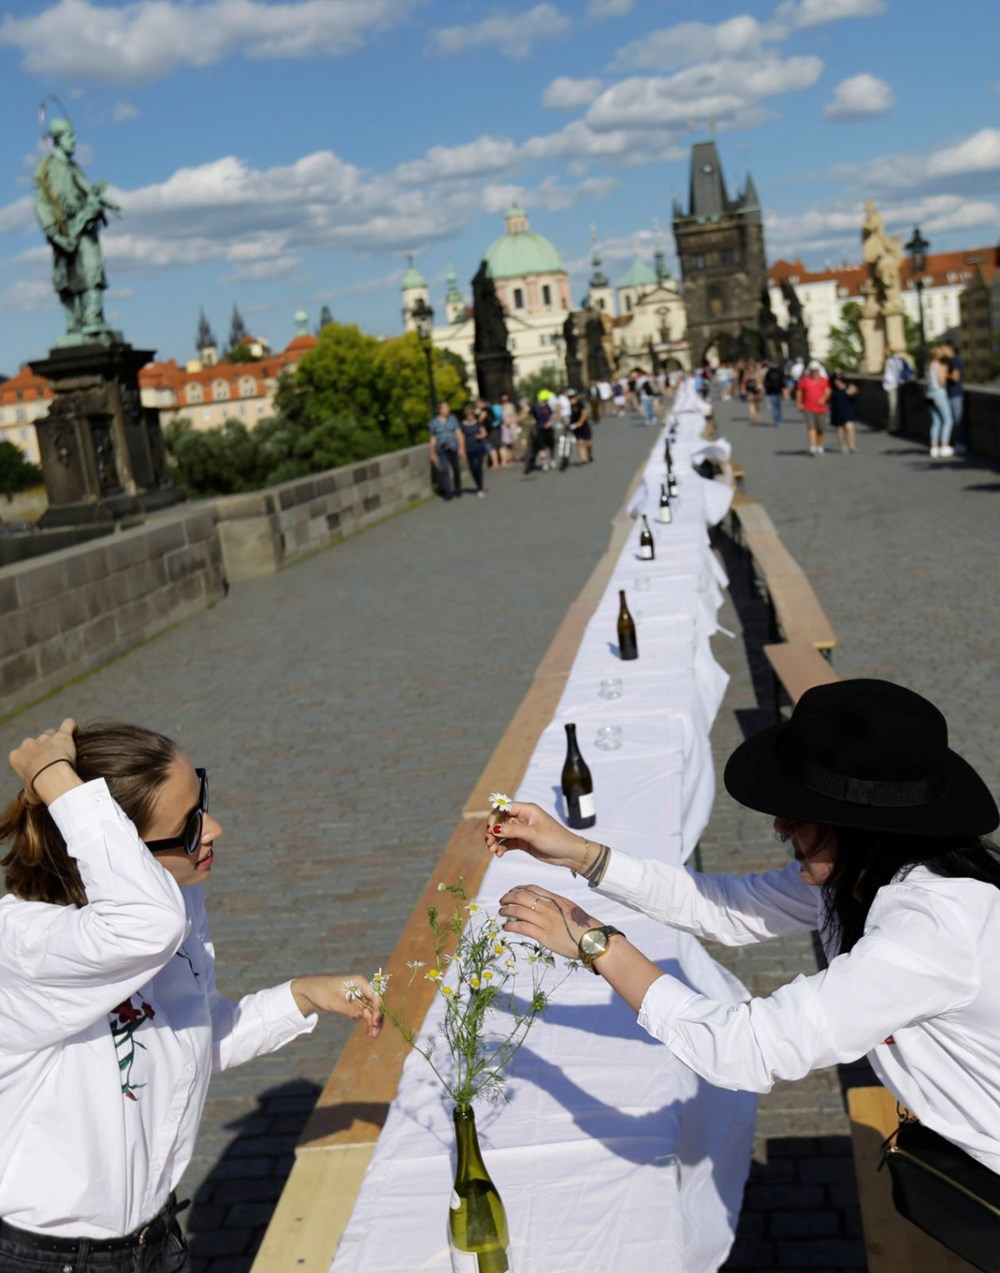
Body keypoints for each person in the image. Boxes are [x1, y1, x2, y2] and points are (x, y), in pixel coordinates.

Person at [489, 680, 1000, 1189]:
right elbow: (724, 907)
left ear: (862, 827)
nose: (780, 827)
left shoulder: (928, 929)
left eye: (802, 816)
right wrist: (578, 853)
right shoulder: (870, 875)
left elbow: (745, 1048)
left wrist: (594, 942)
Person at [0, 719, 382, 1270]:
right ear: (115, 847)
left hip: (154, 1243)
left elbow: (186, 1041)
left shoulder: (172, 900)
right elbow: (145, 925)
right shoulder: (30, 944)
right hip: (49, 1260)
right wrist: (52, 775)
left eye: (202, 801)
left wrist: (301, 996)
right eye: (188, 827)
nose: (215, 829)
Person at [428, 399, 465, 499]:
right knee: (444, 470)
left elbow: (458, 433)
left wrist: (461, 447)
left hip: (453, 447)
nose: (447, 409)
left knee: (456, 468)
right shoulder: (434, 423)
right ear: (440, 410)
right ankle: (448, 492)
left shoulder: (453, 419)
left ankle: (458, 488)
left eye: (448, 407)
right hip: (442, 448)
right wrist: (432, 453)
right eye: (445, 408)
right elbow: (432, 439)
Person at [925, 345, 954, 460]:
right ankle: (944, 446)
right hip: (938, 394)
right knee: (948, 420)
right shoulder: (938, 366)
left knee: (936, 421)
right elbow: (942, 382)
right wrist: (946, 372)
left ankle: (934, 447)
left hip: (928, 394)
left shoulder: (928, 366)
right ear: (937, 356)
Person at [796, 361, 830, 456]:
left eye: (816, 370)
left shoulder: (823, 380)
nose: (814, 372)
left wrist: (824, 398)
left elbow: (827, 391)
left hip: (821, 408)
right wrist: (799, 403)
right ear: (810, 371)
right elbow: (800, 392)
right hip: (808, 407)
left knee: (820, 429)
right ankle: (813, 446)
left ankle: (820, 445)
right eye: (812, 370)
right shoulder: (805, 380)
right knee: (811, 427)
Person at [941, 341, 966, 455]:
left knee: (958, 420)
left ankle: (961, 444)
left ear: (949, 348)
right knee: (955, 419)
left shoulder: (955, 361)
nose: (942, 350)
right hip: (953, 393)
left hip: (955, 394)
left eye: (943, 348)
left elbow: (955, 377)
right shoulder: (952, 361)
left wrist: (944, 374)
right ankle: (959, 443)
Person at [458, 406, 488, 497]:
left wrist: (480, 436)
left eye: (471, 415)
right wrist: (462, 449)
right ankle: (477, 484)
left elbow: (484, 433)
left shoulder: (478, 423)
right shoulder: (463, 425)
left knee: (478, 467)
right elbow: (461, 437)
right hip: (469, 448)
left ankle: (480, 487)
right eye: (468, 416)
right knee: (472, 468)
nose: (470, 417)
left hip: (479, 447)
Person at [828, 372, 859, 454]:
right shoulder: (832, 389)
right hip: (837, 411)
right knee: (840, 430)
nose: (838, 382)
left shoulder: (849, 386)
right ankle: (843, 446)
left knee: (850, 427)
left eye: (840, 380)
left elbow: (854, 391)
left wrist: (850, 390)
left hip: (848, 410)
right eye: (836, 380)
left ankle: (852, 446)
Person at [881, 348, 910, 435]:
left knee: (893, 408)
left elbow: (889, 375)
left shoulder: (890, 361)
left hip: (892, 386)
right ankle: (896, 426)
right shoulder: (897, 360)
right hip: (897, 385)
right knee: (895, 408)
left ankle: (893, 427)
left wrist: (887, 384)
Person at [567, 388, 593, 464]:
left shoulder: (580, 403)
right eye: (569, 397)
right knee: (580, 442)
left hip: (583, 425)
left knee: (588, 443)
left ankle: (589, 454)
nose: (571, 398)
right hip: (575, 426)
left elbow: (585, 413)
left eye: (572, 396)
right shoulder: (568, 406)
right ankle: (584, 459)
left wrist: (580, 422)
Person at [763, 361, 785, 427]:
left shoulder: (769, 372)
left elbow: (765, 382)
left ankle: (776, 420)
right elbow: (783, 382)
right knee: (778, 407)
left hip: (771, 392)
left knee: (774, 407)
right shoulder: (780, 372)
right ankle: (779, 420)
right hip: (778, 391)